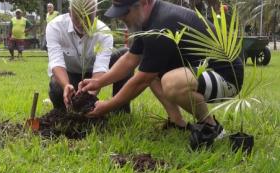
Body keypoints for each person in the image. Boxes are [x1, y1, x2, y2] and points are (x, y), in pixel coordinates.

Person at [78, 0, 244, 137]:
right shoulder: (146, 22)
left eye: (125, 12)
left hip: (226, 77)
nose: (121, 17)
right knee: (152, 71)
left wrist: (108, 106)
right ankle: (177, 123)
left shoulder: (162, 23)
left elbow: (141, 80)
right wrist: (98, 82)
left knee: (169, 82)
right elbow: (130, 59)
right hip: (199, 72)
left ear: (144, 2)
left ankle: (212, 128)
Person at [46, 0, 132, 112]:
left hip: (92, 75)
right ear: (70, 12)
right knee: (57, 87)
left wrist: (89, 96)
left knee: (125, 54)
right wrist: (66, 85)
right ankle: (65, 112)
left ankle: (120, 110)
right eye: (77, 17)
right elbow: (56, 62)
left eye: (88, 17)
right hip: (69, 74)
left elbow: (100, 67)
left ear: (95, 13)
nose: (82, 23)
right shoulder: (55, 27)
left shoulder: (104, 33)